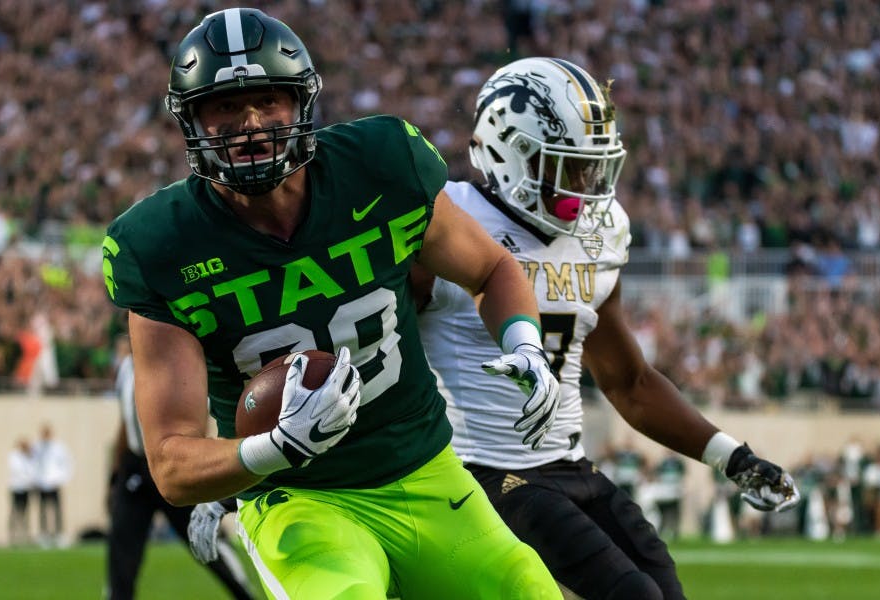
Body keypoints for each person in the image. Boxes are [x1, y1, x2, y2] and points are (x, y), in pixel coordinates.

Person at [102, 8, 561, 599]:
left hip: (422, 468)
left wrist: (524, 341)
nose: (250, 123)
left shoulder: (381, 164)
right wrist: (276, 446)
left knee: (526, 587)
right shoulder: (162, 244)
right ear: (191, 120)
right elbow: (169, 460)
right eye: (224, 107)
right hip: (298, 497)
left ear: (302, 104)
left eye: (269, 101)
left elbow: (493, 268)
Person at [412, 57, 801, 600]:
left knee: (664, 589)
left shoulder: (602, 234)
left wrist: (732, 458)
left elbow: (629, 384)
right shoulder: (448, 220)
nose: (588, 187)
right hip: (481, 471)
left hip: (569, 465)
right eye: (571, 168)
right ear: (511, 155)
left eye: (594, 168)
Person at [106, 339, 258, 600]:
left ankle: (244, 592)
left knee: (207, 541)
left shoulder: (177, 367)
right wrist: (115, 474)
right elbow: (124, 422)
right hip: (136, 467)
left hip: (172, 464)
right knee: (121, 548)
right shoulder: (126, 368)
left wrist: (199, 463)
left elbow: (199, 420)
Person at [32, 422, 72, 547]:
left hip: (54, 483)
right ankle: (44, 535)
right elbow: (34, 464)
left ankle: (59, 534)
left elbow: (66, 463)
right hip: (42, 483)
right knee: (43, 510)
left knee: (57, 509)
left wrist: (61, 479)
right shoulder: (37, 447)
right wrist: (36, 479)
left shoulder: (58, 447)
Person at [7, 437, 36, 545]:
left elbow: (32, 471)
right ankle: (13, 536)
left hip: (26, 489)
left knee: (25, 513)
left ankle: (24, 536)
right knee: (15, 512)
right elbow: (17, 471)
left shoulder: (30, 457)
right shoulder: (14, 456)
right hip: (16, 488)